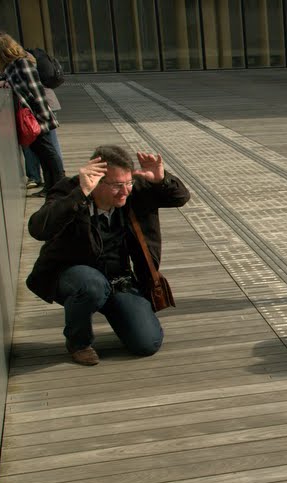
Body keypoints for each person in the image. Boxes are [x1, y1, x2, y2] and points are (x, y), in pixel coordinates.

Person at [26, 145, 191, 365]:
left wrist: (160, 180)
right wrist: (80, 194)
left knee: (146, 343)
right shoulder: (71, 190)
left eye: (128, 183)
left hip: (118, 278)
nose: (125, 191)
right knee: (91, 285)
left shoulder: (134, 191)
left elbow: (180, 197)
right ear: (96, 180)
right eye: (116, 185)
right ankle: (79, 342)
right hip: (73, 276)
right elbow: (38, 228)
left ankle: (118, 310)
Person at [0, 31, 64, 197]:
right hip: (31, 116)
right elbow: (18, 83)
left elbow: (36, 90)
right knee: (42, 153)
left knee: (48, 152)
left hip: (37, 115)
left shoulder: (22, 63)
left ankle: (60, 185)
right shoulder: (12, 66)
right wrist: (5, 81)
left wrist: (43, 116)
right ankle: (50, 187)